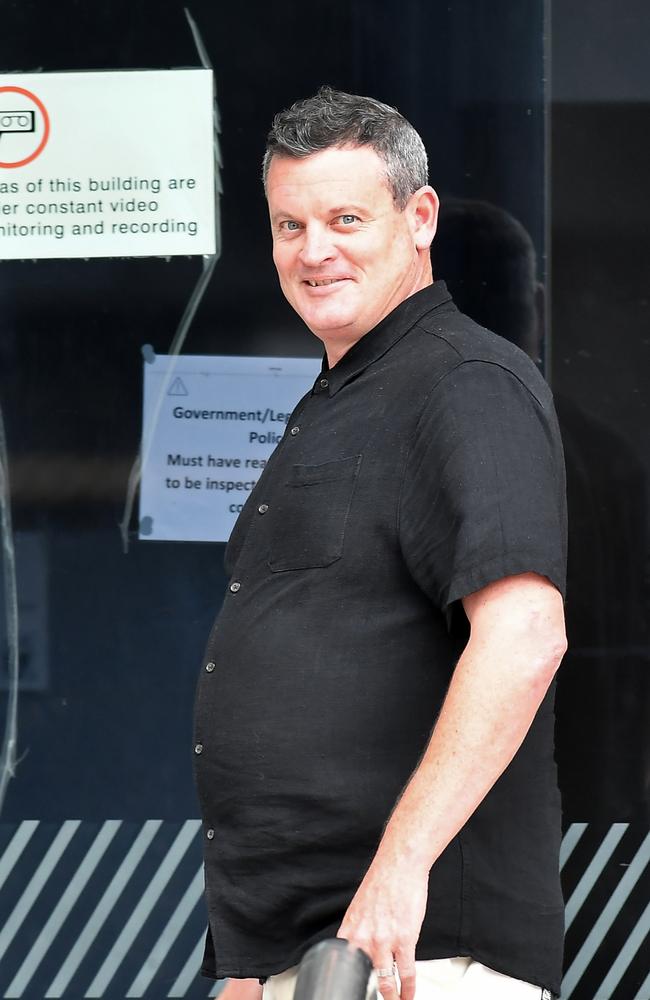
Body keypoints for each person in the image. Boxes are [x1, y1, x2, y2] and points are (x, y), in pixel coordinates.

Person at [193, 87, 567, 1000]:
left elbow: (525, 636)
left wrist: (399, 875)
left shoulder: (464, 384)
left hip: (416, 956)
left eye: (345, 218)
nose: (313, 250)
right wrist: (248, 970)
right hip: (312, 955)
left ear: (420, 216)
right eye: (290, 224)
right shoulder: (341, 398)